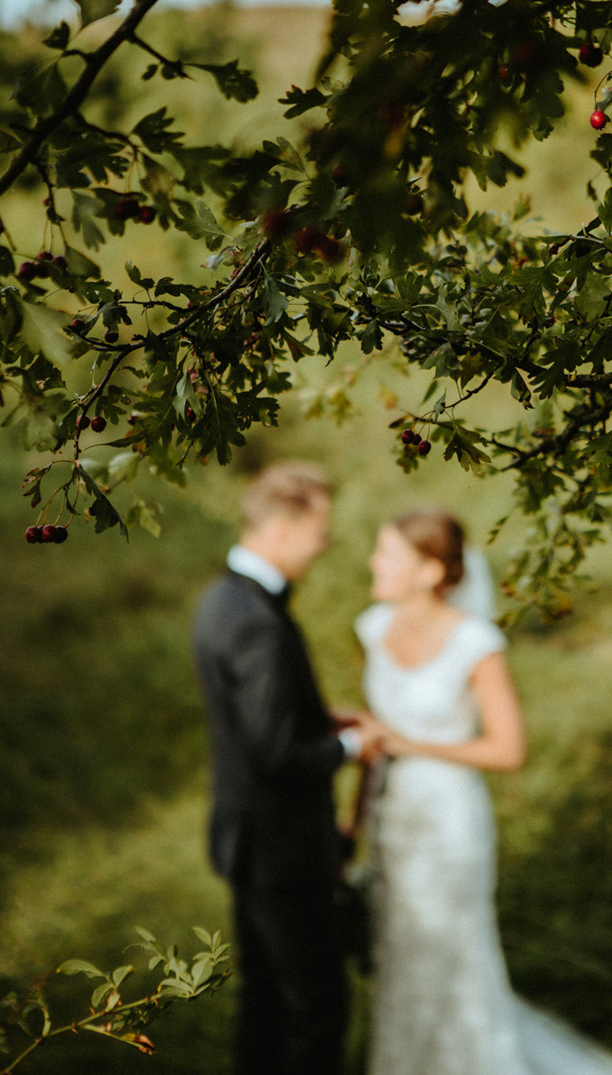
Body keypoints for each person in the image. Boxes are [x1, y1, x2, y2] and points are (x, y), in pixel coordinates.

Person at [355, 508, 612, 1075]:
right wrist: (354, 818)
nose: (374, 562)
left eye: (389, 554)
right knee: (403, 960)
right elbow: (374, 737)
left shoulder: (475, 643)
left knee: (452, 958)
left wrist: (410, 744)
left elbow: (508, 750)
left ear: (431, 572)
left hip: (448, 821)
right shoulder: (372, 628)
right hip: (390, 823)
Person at [192, 461, 381, 1075]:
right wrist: (356, 748)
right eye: (318, 528)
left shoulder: (221, 600)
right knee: (316, 1006)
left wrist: (318, 719)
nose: (325, 543)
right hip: (283, 849)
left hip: (246, 840)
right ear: (281, 525)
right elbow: (275, 757)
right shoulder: (258, 625)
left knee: (265, 999)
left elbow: (252, 721)